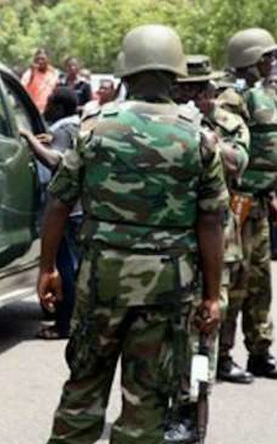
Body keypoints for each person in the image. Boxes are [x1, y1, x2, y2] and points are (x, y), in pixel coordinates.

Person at [40, 24, 227, 443]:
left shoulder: (93, 128)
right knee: (147, 401)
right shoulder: (199, 138)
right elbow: (211, 221)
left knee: (83, 389)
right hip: (168, 287)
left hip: (101, 280)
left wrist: (47, 268)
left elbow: (59, 202)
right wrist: (213, 295)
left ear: (125, 75)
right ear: (175, 76)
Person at [165, 54, 252, 442]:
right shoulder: (166, 121)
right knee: (166, 332)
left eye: (198, 90)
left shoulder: (227, 123)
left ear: (209, 90)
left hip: (216, 245)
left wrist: (207, 139)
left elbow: (238, 162)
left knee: (204, 334)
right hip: (173, 240)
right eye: (182, 89)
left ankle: (192, 408)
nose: (190, 97)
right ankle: (165, 404)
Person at [216, 28, 277, 381]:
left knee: (259, 282)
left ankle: (259, 351)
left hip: (259, 203)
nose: (271, 63)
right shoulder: (231, 98)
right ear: (249, 61)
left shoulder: (264, 95)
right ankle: (222, 355)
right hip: (236, 204)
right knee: (233, 283)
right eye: (266, 57)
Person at [21, 86, 81, 339]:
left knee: (66, 269)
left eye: (49, 102)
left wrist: (28, 138)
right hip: (79, 209)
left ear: (58, 107)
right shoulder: (75, 126)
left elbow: (55, 162)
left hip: (68, 210)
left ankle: (63, 324)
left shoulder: (65, 129)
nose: (45, 106)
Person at [21, 48, 60, 113]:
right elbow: (23, 91)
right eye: (38, 59)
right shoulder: (29, 74)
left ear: (48, 59)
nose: (40, 61)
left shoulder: (54, 73)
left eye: (42, 59)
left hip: (50, 111)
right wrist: (32, 76)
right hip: (34, 111)